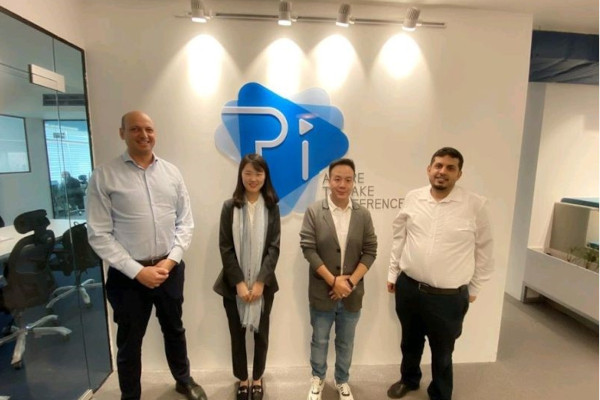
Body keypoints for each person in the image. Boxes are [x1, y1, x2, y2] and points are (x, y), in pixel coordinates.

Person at [86, 111, 207, 400]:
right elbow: (98, 233)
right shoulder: (104, 175)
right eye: (136, 129)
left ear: (155, 133)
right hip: (128, 276)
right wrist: (137, 271)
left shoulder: (171, 173)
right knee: (129, 340)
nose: (144, 135)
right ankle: (130, 395)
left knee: (174, 329)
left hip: (169, 268)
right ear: (122, 133)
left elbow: (185, 223)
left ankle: (183, 379)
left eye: (149, 129)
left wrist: (169, 261)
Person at [386, 147, 494, 400]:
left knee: (443, 350)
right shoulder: (413, 198)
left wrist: (475, 288)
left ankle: (441, 393)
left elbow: (486, 251)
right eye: (438, 166)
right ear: (429, 169)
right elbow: (399, 237)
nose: (442, 172)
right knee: (409, 343)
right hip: (409, 288)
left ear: (459, 174)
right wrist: (393, 274)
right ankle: (409, 380)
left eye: (450, 167)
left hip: (448, 297)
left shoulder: (475, 205)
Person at [300, 158, 378, 400]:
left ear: (354, 182)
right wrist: (334, 281)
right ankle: (318, 378)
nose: (342, 184)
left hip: (352, 293)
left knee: (346, 342)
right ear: (329, 181)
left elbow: (370, 250)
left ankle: (342, 380)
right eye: (337, 179)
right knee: (320, 339)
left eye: (348, 179)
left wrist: (349, 283)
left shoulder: (363, 214)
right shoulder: (314, 211)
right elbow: (308, 248)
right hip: (322, 290)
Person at [214, 153, 281, 400]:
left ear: (266, 176)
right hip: (233, 285)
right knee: (237, 334)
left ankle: (258, 377)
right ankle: (243, 379)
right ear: (241, 175)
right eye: (248, 173)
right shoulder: (229, 207)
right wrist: (240, 283)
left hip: (265, 285)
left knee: (261, 335)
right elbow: (225, 247)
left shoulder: (272, 206)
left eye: (258, 173)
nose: (253, 179)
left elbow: (274, 247)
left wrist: (261, 281)